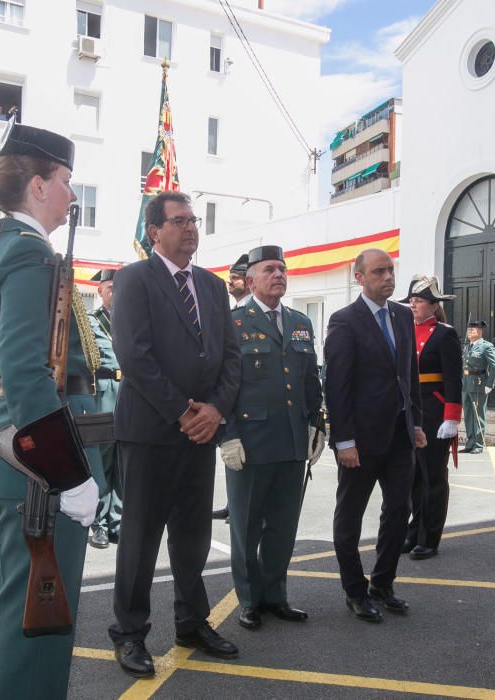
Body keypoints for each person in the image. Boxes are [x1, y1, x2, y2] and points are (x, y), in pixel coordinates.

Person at [0, 121, 101, 699]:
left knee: (3, 619)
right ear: (38, 186)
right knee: (38, 631)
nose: (71, 194)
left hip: (7, 471)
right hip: (40, 476)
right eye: (66, 180)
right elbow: (26, 372)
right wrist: (69, 475)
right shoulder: (31, 254)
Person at [109, 191, 241, 677]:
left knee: (193, 538)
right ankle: (128, 634)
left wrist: (216, 409)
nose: (190, 228)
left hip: (200, 433)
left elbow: (230, 358)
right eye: (179, 220)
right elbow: (135, 356)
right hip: (150, 432)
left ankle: (191, 621)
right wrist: (185, 411)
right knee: (140, 540)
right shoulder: (134, 279)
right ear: (154, 231)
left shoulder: (211, 284)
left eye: (193, 221)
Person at [220, 245, 324, 630]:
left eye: (282, 269)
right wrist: (226, 436)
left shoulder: (300, 322)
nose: (278, 274)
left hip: (292, 440)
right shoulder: (232, 323)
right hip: (249, 442)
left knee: (283, 525)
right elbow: (222, 384)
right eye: (269, 269)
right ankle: (249, 599)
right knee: (246, 526)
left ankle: (275, 595)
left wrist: (317, 424)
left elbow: (311, 379)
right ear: (250, 281)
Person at [324, 248, 426, 623]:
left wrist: (415, 423)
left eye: (391, 270)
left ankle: (382, 584)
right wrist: (344, 441)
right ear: (360, 278)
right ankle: (355, 591)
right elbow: (337, 386)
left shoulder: (401, 315)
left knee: (400, 510)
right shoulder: (344, 321)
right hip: (361, 441)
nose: (388, 277)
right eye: (379, 271)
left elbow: (408, 373)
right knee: (349, 518)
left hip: (399, 436)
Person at [399, 275, 462, 560]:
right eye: (411, 299)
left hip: (434, 411)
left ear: (434, 306)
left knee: (432, 477)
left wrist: (452, 417)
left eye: (419, 300)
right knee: (411, 476)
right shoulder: (404, 330)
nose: (413, 304)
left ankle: (430, 537)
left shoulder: (444, 333)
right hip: (408, 409)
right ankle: (413, 534)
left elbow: (453, 379)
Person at [213, 252, 250, 522]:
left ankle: (238, 505)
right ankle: (232, 503)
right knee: (234, 455)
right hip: (230, 401)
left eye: (235, 279)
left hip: (250, 403)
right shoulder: (231, 314)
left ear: (249, 281)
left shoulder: (246, 315)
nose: (230, 283)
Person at [89, 268, 122, 549]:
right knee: (102, 460)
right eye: (110, 286)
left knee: (124, 460)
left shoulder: (134, 319)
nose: (115, 291)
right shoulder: (90, 321)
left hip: (132, 393)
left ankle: (117, 521)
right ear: (100, 290)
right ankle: (97, 523)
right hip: (104, 392)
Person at [460, 320, 495, 454]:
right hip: (466, 384)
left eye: (473, 329)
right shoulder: (468, 346)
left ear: (480, 331)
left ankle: (478, 444)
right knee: (469, 415)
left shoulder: (486, 346)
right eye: (468, 329)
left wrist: (490, 384)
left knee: (478, 415)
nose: (469, 331)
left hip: (478, 384)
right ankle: (470, 443)